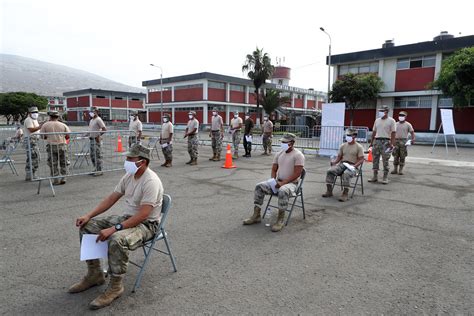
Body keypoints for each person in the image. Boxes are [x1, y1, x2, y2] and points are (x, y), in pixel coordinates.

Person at [69, 144, 163, 310]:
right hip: (128, 219)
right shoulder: (129, 176)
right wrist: (88, 215)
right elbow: (111, 198)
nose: (126, 161)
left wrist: (115, 228)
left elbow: (143, 215)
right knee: (87, 227)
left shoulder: (151, 181)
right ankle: (95, 274)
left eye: (130, 159)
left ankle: (115, 287)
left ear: (143, 162)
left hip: (147, 225)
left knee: (117, 239)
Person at [243, 133, 304, 232]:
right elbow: (274, 169)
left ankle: (280, 219)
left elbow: (297, 173)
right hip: (278, 181)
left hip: (292, 184)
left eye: (285, 142)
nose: (282, 144)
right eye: (282, 142)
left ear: (292, 143)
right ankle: (256, 215)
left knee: (283, 191)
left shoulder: (298, 155)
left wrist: (283, 183)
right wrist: (273, 181)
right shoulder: (279, 154)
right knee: (259, 186)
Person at [322, 129, 365, 202]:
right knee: (330, 171)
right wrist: (334, 162)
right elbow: (339, 157)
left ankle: (345, 193)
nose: (347, 137)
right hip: (343, 164)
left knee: (346, 174)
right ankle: (329, 191)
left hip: (353, 166)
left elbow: (361, 159)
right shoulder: (343, 145)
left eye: (349, 135)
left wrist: (354, 166)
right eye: (347, 135)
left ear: (354, 136)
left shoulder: (359, 147)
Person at [40, 111, 71, 185]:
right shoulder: (63, 125)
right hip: (62, 145)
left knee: (53, 163)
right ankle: (64, 177)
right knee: (64, 162)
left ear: (50, 117)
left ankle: (55, 179)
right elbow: (68, 135)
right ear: (58, 117)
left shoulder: (45, 125)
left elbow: (42, 136)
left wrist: (49, 137)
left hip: (51, 145)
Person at [368, 105, 396, 184]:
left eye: (381, 111)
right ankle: (375, 176)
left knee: (385, 160)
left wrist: (392, 143)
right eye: (379, 111)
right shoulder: (377, 120)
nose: (379, 112)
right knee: (375, 159)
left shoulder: (391, 120)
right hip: (377, 141)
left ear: (386, 112)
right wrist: (371, 142)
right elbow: (374, 132)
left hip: (386, 142)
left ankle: (385, 177)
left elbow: (393, 133)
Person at [391, 111, 415, 175]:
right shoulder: (395, 124)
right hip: (396, 141)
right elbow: (392, 133)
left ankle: (400, 170)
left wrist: (413, 139)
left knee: (402, 156)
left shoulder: (408, 124)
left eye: (402, 115)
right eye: (400, 115)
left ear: (405, 117)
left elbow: (412, 132)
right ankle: (395, 169)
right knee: (395, 156)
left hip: (403, 142)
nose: (401, 116)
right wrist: (391, 141)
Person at [24, 106, 42, 181]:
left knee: (35, 157)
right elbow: (31, 129)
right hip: (30, 140)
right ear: (29, 113)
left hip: (34, 140)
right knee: (34, 157)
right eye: (33, 112)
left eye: (36, 112)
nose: (35, 114)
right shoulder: (28, 120)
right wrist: (40, 126)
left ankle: (31, 174)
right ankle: (30, 174)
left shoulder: (35, 120)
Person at [88, 107, 107, 176]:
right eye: (90, 112)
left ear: (96, 112)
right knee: (92, 155)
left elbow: (104, 129)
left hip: (96, 140)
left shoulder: (98, 119)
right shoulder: (91, 120)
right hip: (91, 139)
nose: (91, 113)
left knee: (97, 155)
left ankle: (99, 170)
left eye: (93, 112)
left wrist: (98, 135)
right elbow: (91, 130)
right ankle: (95, 168)